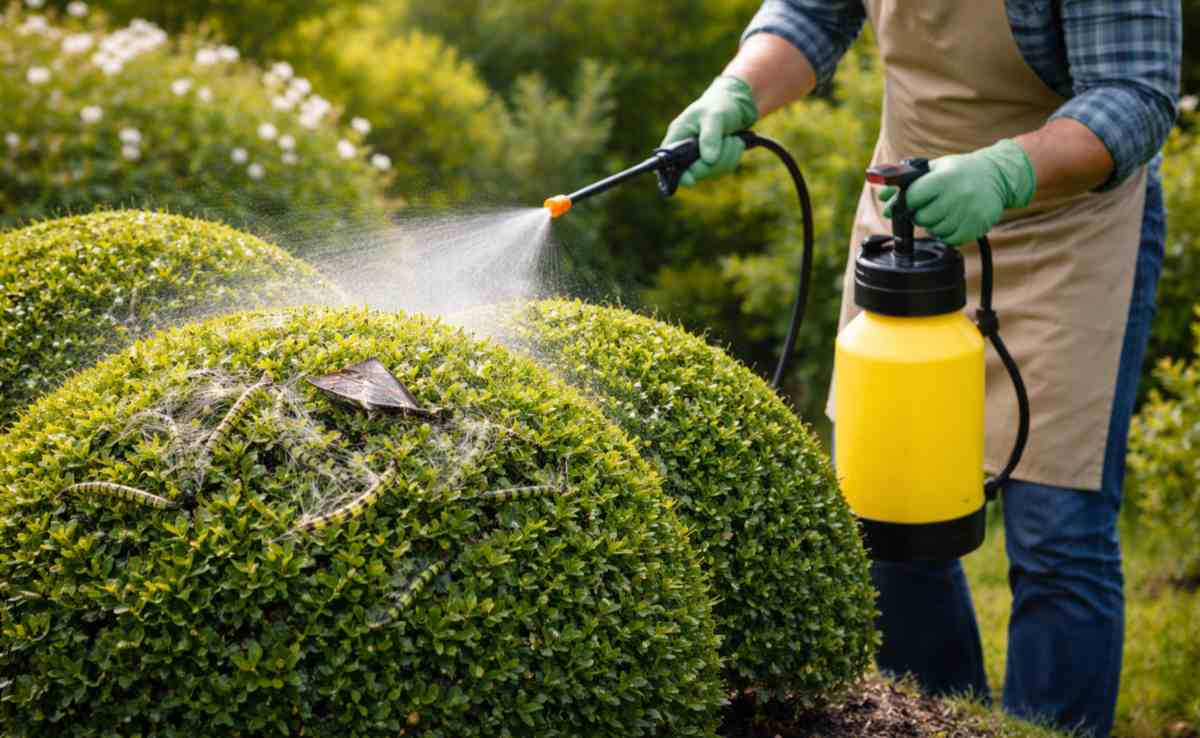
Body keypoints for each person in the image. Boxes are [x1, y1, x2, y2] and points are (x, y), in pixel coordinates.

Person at [661, 2, 1181, 737]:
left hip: (1068, 228)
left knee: (1056, 535)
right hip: (907, 211)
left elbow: (1135, 92)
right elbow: (810, 12)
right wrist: (736, 91)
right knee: (888, 515)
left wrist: (1006, 171)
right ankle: (940, 724)